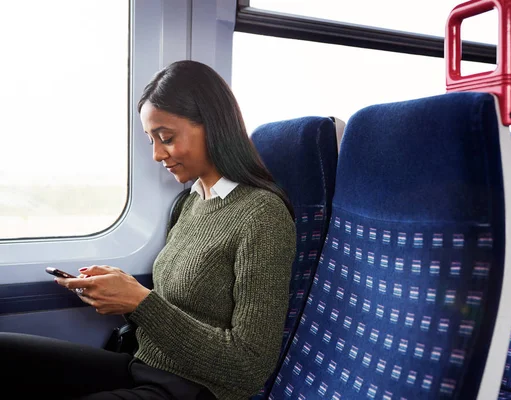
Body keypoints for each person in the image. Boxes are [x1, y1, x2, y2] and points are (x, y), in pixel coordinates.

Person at [0, 60, 297, 400]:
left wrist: (140, 302)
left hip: (194, 389)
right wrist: (120, 291)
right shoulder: (191, 203)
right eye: (151, 140)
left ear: (212, 126)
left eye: (166, 138)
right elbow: (174, 308)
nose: (157, 154)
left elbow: (248, 368)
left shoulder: (262, 216)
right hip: (143, 366)